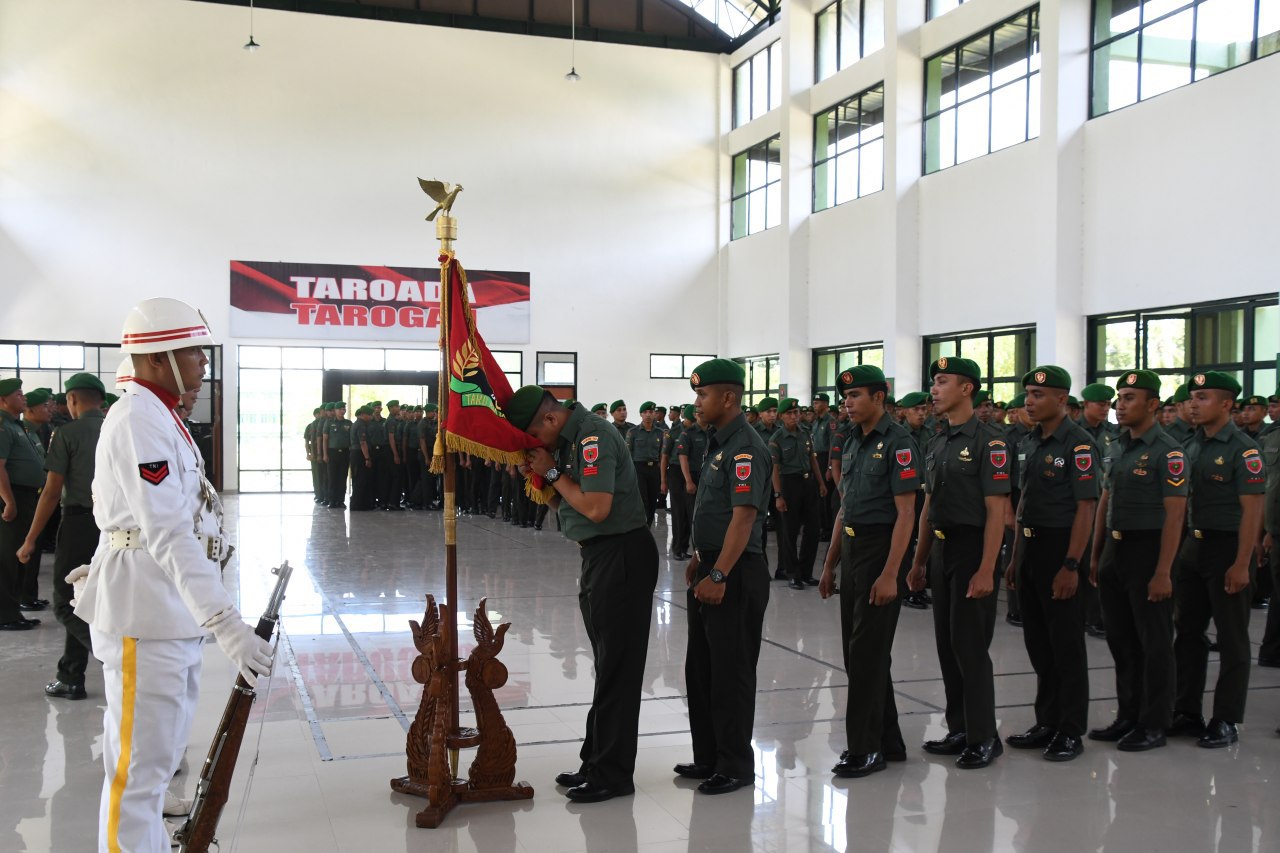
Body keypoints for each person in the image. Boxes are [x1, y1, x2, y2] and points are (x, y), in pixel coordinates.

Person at [74, 297, 274, 852]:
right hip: (146, 612)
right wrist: (226, 623)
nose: (204, 362)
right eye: (194, 352)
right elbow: (166, 531)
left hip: (166, 611)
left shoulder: (160, 416)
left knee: (156, 762)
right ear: (159, 357)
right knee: (137, 775)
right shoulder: (138, 418)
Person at [511, 387, 658, 804]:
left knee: (617, 669)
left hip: (622, 555)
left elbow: (596, 508)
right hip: (599, 556)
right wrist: (545, 479)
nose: (537, 445)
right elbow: (569, 507)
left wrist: (553, 473)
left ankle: (613, 773)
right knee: (608, 664)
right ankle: (596, 761)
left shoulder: (593, 437)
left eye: (534, 436)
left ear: (550, 419)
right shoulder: (569, 441)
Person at [907, 357, 1011, 769]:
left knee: (970, 647)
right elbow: (928, 507)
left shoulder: (990, 443)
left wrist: (987, 568)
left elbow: (997, 511)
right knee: (948, 646)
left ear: (966, 389)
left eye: (942, 381)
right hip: (941, 550)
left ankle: (984, 736)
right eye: (934, 382)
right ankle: (960, 728)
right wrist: (918, 561)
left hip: (972, 550)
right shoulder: (937, 442)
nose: (934, 389)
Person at [818, 366, 920, 778]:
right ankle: (889, 740)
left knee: (865, 654)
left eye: (855, 395)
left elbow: (907, 513)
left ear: (879, 397)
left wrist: (892, 573)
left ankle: (865, 748)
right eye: (845, 396)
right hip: (853, 547)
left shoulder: (899, 442)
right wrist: (830, 564)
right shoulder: (853, 441)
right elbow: (845, 507)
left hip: (881, 550)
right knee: (861, 653)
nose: (847, 403)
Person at [676, 358, 772, 795]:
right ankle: (709, 756)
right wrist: (701, 558)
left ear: (729, 397)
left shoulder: (746, 447)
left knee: (730, 672)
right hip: (712, 564)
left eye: (703, 395)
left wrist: (718, 572)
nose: (697, 403)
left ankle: (735, 765)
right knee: (701, 669)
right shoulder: (718, 443)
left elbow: (743, 517)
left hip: (734, 570)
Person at [1087, 370, 1187, 751]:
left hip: (1149, 551)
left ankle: (1154, 722)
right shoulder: (1116, 446)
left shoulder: (1168, 452)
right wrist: (1096, 554)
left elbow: (1175, 516)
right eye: (1119, 397)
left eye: (1130, 398)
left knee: (1154, 643)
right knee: (1121, 640)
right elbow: (1105, 500)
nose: (1120, 405)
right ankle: (1128, 715)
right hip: (1115, 550)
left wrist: (1164, 571)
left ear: (1153, 404)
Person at [1005, 366, 1099, 763]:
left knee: (1066, 645)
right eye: (1028, 393)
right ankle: (1047, 720)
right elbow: (1024, 501)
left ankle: (1070, 729)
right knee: (1039, 643)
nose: (1029, 401)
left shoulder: (1078, 444)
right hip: (1030, 546)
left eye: (1038, 395)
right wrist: (1015, 557)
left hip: (1061, 548)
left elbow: (1086, 507)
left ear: (1061, 399)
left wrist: (1072, 564)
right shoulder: (1030, 441)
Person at [1169, 371, 1266, 748]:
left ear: (1226, 404)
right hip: (1192, 548)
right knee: (1187, 633)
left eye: (1203, 397)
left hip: (1228, 549)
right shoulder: (1190, 445)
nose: (1193, 404)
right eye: (1192, 397)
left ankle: (1226, 718)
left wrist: (1242, 563)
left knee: (1232, 638)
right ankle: (1186, 709)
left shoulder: (1244, 449)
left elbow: (1253, 509)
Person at [17, 373, 108, 699]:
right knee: (85, 600)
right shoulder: (115, 430)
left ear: (72, 399)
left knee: (65, 603)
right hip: (113, 529)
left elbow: (52, 491)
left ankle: (118, 660)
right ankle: (70, 675)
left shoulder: (67, 433)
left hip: (79, 525)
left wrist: (30, 539)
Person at [0, 377, 45, 630]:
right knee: (7, 558)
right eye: (18, 394)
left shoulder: (15, 425)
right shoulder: (2, 426)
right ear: (2, 400)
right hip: (13, 496)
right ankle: (5, 616)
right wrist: (9, 501)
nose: (23, 397)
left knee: (18, 556)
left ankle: (13, 611)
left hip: (25, 496)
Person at [769, 398, 827, 590]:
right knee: (790, 532)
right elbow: (774, 469)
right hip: (789, 484)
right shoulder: (777, 438)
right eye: (790, 413)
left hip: (808, 483)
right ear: (781, 416)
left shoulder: (805, 433)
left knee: (813, 530)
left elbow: (812, 459)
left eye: (796, 412)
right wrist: (778, 495)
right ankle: (792, 573)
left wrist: (820, 483)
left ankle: (806, 572)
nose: (794, 416)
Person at [626, 401, 664, 526]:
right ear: (641, 414)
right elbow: (628, 453)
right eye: (645, 412)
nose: (648, 415)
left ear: (654, 414)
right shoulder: (633, 432)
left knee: (653, 501)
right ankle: (642, 526)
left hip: (654, 470)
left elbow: (662, 453)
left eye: (651, 412)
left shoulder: (660, 433)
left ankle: (648, 526)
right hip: (639, 469)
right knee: (643, 500)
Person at [661, 406, 690, 559]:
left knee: (689, 512)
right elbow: (664, 457)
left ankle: (684, 547)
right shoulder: (673, 432)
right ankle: (677, 549)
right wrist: (663, 480)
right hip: (676, 472)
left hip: (692, 471)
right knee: (678, 511)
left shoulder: (699, 431)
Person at [323, 401, 352, 509]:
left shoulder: (348, 423)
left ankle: (340, 501)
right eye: (339, 409)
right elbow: (325, 439)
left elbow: (352, 439)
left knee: (342, 477)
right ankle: (332, 500)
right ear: (335, 411)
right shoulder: (329, 423)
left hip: (345, 452)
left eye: (343, 409)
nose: (342, 411)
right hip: (332, 452)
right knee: (332, 477)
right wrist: (325, 454)